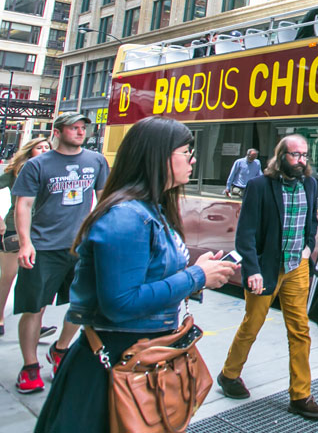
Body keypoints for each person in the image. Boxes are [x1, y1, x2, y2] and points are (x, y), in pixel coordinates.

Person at [34, 116, 236, 432]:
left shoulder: (153, 208)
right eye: (186, 151)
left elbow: (151, 274)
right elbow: (121, 302)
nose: (193, 159)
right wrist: (196, 276)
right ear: (157, 156)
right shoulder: (126, 217)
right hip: (112, 368)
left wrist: (201, 272)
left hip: (141, 360)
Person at [218, 135, 318, 420]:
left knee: (300, 331)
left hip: (296, 269)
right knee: (252, 325)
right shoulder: (259, 187)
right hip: (266, 269)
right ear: (280, 158)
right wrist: (252, 270)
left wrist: (308, 246)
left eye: (304, 155)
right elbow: (246, 234)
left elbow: (311, 221)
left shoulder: (310, 185)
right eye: (295, 155)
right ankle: (229, 375)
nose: (302, 161)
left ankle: (301, 395)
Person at [12, 113, 109, 394]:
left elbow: (104, 199)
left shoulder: (96, 161)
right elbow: (24, 206)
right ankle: (30, 367)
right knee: (34, 307)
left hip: (79, 247)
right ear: (58, 131)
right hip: (43, 247)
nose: (80, 132)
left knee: (83, 304)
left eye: (83, 128)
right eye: (74, 128)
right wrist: (25, 243)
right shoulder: (37, 165)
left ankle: (61, 349)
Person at [0, 137, 53, 340]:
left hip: (41, 231)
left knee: (37, 281)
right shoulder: (17, 171)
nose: (44, 150)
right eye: (39, 147)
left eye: (47, 147)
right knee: (8, 277)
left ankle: (35, 324)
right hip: (14, 229)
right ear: (30, 151)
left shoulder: (52, 171)